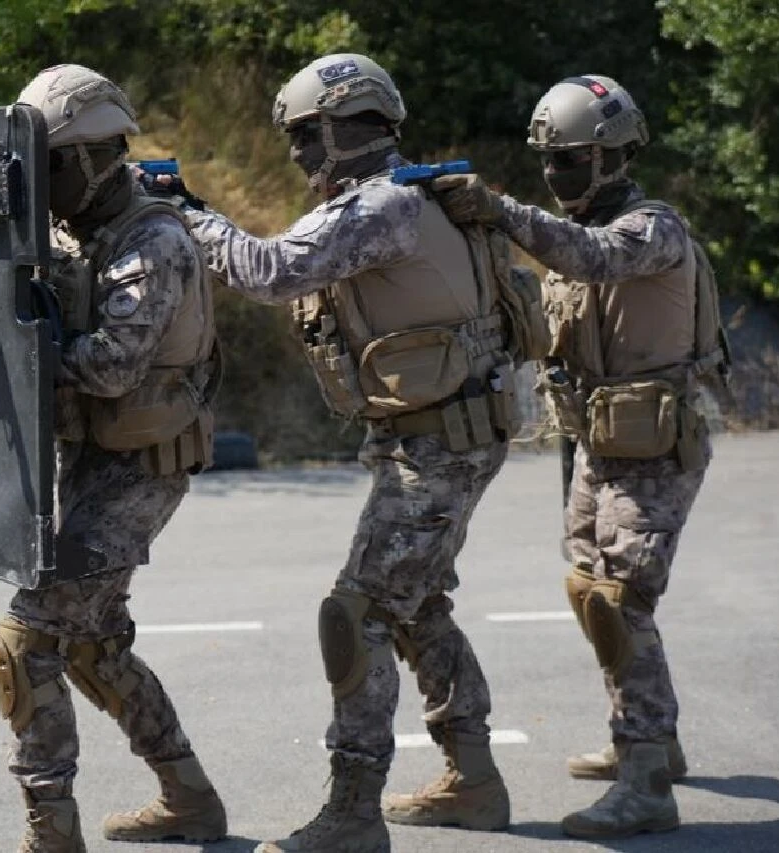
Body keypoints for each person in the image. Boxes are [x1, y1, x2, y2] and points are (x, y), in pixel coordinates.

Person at [0, 64, 226, 853]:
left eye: (51, 164)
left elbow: (106, 365)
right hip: (89, 455)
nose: (40, 183)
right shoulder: (72, 236)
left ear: (97, 158)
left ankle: (49, 832)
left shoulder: (154, 240)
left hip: (141, 466)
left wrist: (13, 330)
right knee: (93, 644)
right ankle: (189, 797)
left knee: (25, 640)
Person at [173, 53, 524, 853]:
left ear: (341, 127)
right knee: (414, 604)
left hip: (439, 441)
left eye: (304, 136)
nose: (296, 155)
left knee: (356, 613)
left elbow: (265, 270)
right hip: (445, 432)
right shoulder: (413, 197)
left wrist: (190, 213)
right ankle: (473, 776)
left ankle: (354, 813)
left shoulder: (383, 205)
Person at [432, 74, 715, 839]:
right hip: (600, 441)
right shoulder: (579, 231)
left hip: (654, 443)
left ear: (618, 156)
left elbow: (593, 258)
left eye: (574, 162)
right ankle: (651, 736)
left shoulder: (650, 230)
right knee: (590, 589)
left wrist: (501, 209)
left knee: (621, 599)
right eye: (551, 163)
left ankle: (647, 775)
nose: (558, 177)